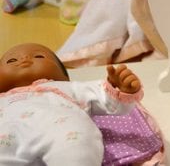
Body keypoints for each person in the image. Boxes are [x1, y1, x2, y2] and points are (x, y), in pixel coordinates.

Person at [0, 43, 143, 164]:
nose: (24, 59)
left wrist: (119, 88)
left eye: (39, 56)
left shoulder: (68, 88)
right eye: (11, 60)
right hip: (6, 134)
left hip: (60, 128)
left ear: (64, 76)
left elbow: (107, 99)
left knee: (77, 143)